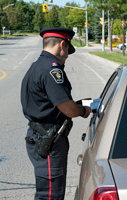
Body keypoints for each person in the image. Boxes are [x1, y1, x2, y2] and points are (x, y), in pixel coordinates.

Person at [20, 27, 91, 200]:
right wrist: (82, 110)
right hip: (49, 141)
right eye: (68, 50)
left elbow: (52, 103)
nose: (67, 56)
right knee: (50, 195)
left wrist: (76, 104)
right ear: (62, 45)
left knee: (49, 192)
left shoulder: (37, 66)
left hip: (42, 136)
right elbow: (67, 108)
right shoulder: (52, 70)